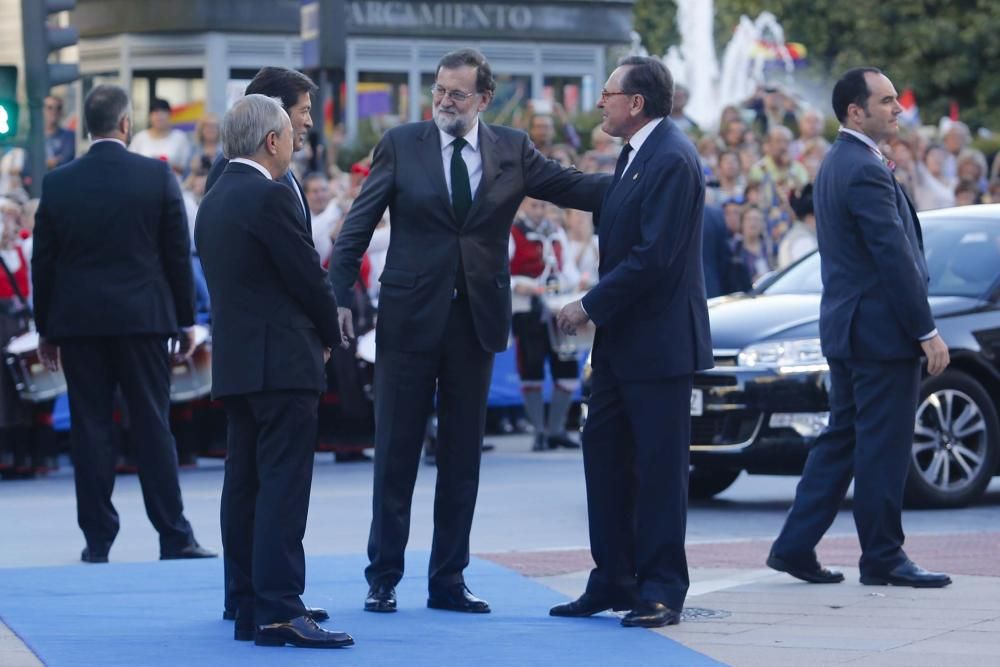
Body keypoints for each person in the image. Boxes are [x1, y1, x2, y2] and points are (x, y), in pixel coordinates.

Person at [328, 47, 608, 615]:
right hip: (408, 319)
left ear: (484, 98)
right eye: (438, 90)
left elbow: (574, 187)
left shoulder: (512, 148)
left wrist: (637, 175)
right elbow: (356, 227)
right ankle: (383, 576)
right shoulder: (403, 144)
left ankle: (448, 579)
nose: (444, 102)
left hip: (475, 321)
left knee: (462, 458)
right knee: (397, 451)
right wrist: (337, 297)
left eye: (457, 93)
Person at [767, 67, 952, 589]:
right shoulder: (864, 167)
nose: (898, 109)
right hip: (879, 335)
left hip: (850, 332)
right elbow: (892, 257)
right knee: (882, 446)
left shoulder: (839, 162)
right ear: (856, 111)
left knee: (843, 440)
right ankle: (884, 558)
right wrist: (925, 329)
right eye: (887, 100)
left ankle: (794, 547)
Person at [553, 56, 712, 628]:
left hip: (660, 346)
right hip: (624, 346)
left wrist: (588, 304)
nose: (600, 102)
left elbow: (653, 258)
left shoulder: (671, 156)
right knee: (607, 460)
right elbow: (608, 208)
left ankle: (662, 588)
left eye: (608, 93)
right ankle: (614, 577)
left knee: (661, 471)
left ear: (636, 102)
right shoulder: (636, 155)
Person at [31, 84, 215, 564]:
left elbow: (43, 262)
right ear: (126, 124)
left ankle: (97, 540)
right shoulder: (155, 178)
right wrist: (184, 319)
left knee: (90, 429)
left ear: (88, 127)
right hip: (143, 321)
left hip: (79, 324)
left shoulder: (59, 183)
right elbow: (177, 253)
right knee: (153, 425)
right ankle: (174, 536)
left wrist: (46, 328)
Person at [195, 94, 352, 649]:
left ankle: (249, 603)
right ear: (271, 141)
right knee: (283, 488)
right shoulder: (268, 197)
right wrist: (331, 337)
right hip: (283, 363)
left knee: (246, 486)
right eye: (289, 133)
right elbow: (308, 276)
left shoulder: (213, 200)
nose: (294, 143)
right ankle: (281, 608)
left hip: (239, 363)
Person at [509, 199, 582, 452]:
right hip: (527, 308)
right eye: (533, 206)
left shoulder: (556, 232)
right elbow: (499, 270)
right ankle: (539, 430)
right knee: (531, 368)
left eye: (542, 206)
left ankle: (556, 429)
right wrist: (517, 284)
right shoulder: (512, 232)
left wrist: (574, 283)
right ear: (523, 207)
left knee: (568, 367)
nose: (539, 211)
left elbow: (568, 270)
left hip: (558, 307)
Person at [206, 67, 315, 235]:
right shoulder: (232, 165)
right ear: (276, 111)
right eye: (304, 111)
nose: (309, 123)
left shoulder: (281, 167)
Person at [128, 98, 190, 175]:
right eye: (155, 112)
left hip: (172, 185)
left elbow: (187, 169)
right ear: (149, 116)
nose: (159, 116)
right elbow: (130, 164)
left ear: (170, 114)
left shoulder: (180, 137)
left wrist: (166, 164)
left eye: (163, 112)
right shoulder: (139, 138)